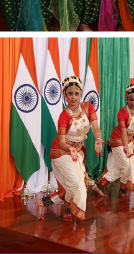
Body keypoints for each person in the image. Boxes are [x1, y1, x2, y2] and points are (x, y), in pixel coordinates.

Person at [47, 75, 104, 221]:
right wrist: (69, 148)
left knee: (78, 186)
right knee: (74, 183)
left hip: (77, 152)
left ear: (81, 93)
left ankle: (43, 202)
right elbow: (60, 142)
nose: (73, 97)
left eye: (76, 93)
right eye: (70, 93)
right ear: (64, 94)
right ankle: (67, 208)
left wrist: (98, 138)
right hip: (62, 151)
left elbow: (96, 127)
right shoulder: (64, 116)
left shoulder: (88, 107)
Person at [98, 82, 134, 193]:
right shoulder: (122, 113)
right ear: (126, 98)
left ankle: (100, 186)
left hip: (130, 140)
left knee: (124, 166)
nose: (133, 102)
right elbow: (123, 131)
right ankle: (121, 189)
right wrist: (126, 148)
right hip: (118, 140)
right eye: (131, 99)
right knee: (127, 166)